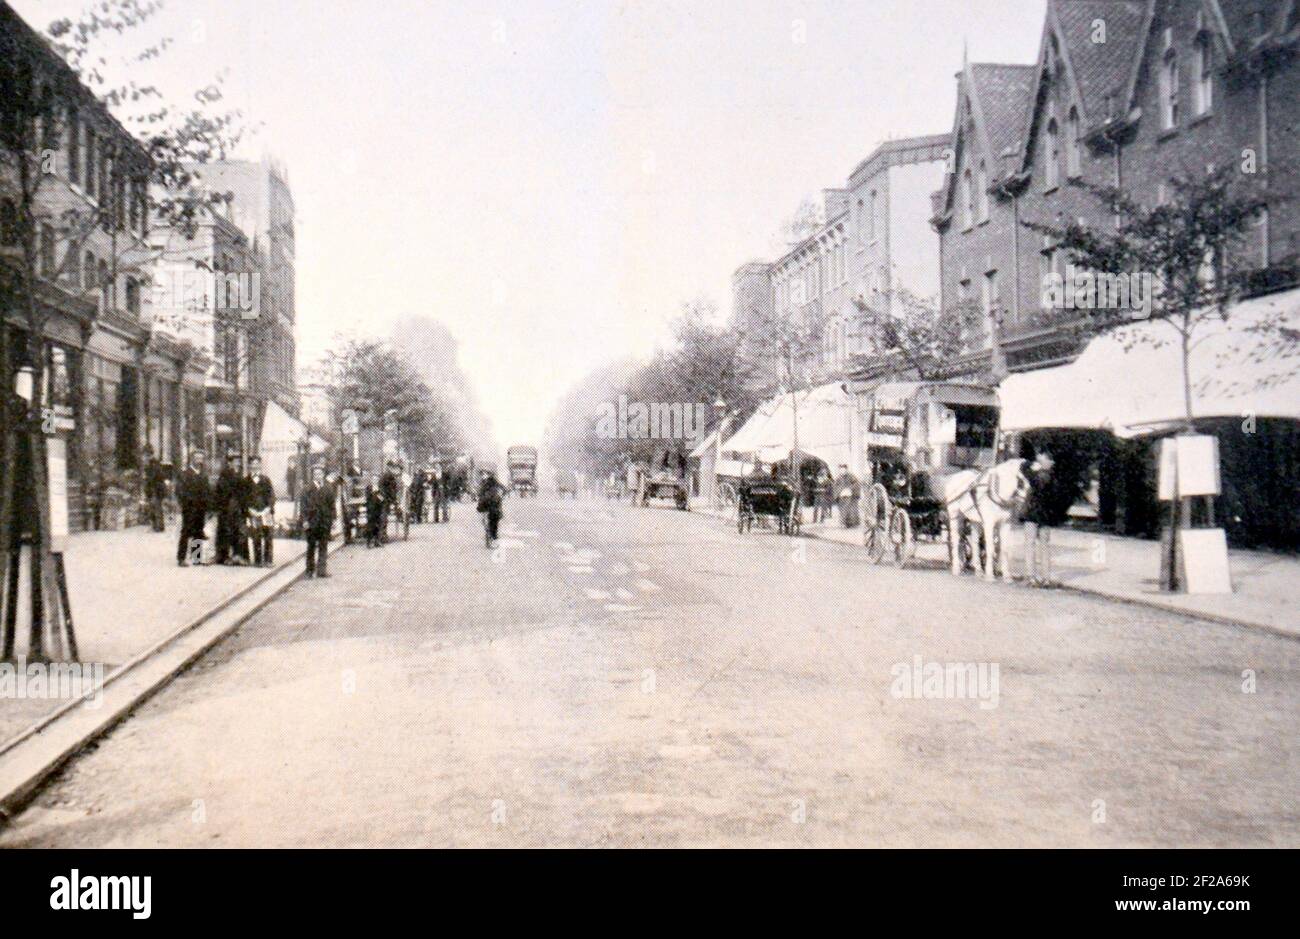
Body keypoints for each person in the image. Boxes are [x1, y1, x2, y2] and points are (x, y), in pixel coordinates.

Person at [175, 450, 211, 566]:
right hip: (189, 508)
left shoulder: (203, 475)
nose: (199, 461)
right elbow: (179, 491)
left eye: (201, 458)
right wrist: (185, 504)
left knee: (198, 531)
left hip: (201, 508)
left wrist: (208, 506)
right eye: (197, 458)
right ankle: (181, 558)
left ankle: (196, 557)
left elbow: (207, 491)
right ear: (192, 459)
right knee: (186, 531)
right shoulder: (185, 474)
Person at [300, 464, 335, 578]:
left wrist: (333, 519)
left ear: (323, 475)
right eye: (315, 474)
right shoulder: (307, 489)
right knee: (311, 546)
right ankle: (309, 570)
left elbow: (332, 505)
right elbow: (303, 506)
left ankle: (321, 570)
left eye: (320, 473)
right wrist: (305, 520)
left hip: (324, 521)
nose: (318, 476)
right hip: (312, 521)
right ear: (313, 475)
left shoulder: (328, 488)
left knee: (323, 546)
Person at [213, 453, 247, 565]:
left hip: (236, 508)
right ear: (230, 463)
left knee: (237, 531)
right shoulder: (226, 474)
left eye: (239, 461)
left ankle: (236, 555)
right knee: (225, 531)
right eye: (235, 461)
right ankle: (197, 558)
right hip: (227, 507)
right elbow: (221, 491)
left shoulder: (239, 474)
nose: (238, 463)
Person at [246, 456, 276, 567]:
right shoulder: (246, 481)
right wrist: (249, 509)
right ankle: (258, 560)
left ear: (260, 465)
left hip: (266, 511)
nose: (255, 466)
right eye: (252, 464)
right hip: (253, 512)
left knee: (268, 535)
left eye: (257, 464)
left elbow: (271, 495)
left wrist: (268, 508)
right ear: (249, 466)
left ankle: (268, 560)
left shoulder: (266, 480)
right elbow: (244, 498)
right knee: (256, 535)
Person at [476, 470, 505, 547]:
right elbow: (503, 489)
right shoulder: (495, 484)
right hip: (493, 506)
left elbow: (479, 493)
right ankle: (493, 537)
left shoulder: (484, 484)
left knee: (485, 518)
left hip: (485, 505)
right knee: (495, 519)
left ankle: (489, 532)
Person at [143, 446, 167, 532]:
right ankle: (157, 526)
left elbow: (153, 476)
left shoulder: (154, 463)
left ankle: (158, 526)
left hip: (155, 489)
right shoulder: (152, 463)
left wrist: (146, 479)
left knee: (156, 508)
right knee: (155, 507)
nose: (144, 457)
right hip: (154, 488)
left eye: (145, 455)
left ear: (149, 454)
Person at [835, 463, 861, 528]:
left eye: (843, 469)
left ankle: (852, 524)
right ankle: (844, 523)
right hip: (842, 496)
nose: (842, 471)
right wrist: (840, 492)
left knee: (851, 510)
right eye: (841, 470)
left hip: (851, 496)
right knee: (843, 510)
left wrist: (849, 489)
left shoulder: (851, 476)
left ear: (846, 470)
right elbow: (835, 486)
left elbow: (856, 483)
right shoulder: (838, 478)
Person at [364, 474, 384, 548]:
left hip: (378, 509)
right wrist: (373, 493)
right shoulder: (368, 488)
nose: (375, 481)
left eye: (376, 480)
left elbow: (382, 499)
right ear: (371, 481)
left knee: (377, 526)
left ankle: (377, 541)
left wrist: (378, 494)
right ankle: (368, 542)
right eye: (374, 480)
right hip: (370, 510)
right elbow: (367, 497)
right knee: (370, 526)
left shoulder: (379, 489)